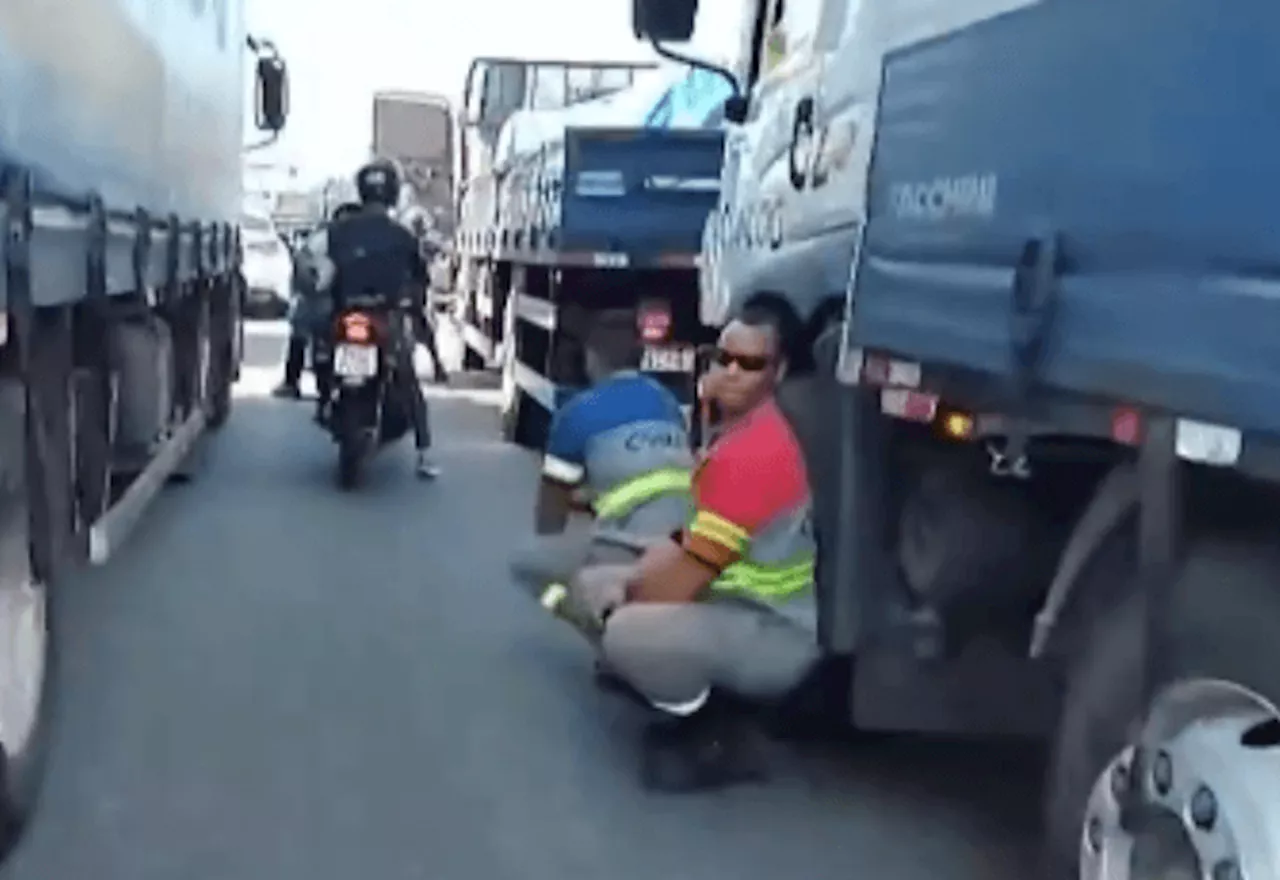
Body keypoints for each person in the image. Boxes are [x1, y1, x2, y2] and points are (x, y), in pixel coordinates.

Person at [551, 307, 820, 792]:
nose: (732, 372)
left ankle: (724, 728)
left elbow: (681, 578)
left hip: (775, 631)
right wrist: (623, 577)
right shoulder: (736, 435)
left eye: (751, 364)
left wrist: (621, 593)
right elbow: (689, 542)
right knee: (598, 584)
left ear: (778, 372)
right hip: (737, 601)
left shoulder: (755, 453)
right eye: (723, 357)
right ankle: (697, 695)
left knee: (625, 632)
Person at [508, 309, 694, 628]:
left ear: (590, 357)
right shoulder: (665, 401)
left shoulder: (577, 412)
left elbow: (552, 506)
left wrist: (551, 541)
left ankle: (598, 623)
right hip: (685, 544)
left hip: (631, 548)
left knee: (526, 564)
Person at [306, 160, 441, 479]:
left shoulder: (336, 231)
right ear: (393, 194)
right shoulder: (403, 236)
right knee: (407, 379)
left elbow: (311, 264)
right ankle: (424, 454)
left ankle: (324, 398)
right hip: (383, 316)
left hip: (344, 314)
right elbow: (421, 278)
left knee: (321, 348)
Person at [272, 202, 362, 401]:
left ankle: (292, 381)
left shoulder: (327, 237)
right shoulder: (329, 239)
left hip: (345, 302)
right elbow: (303, 264)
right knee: (304, 322)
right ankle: (293, 380)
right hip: (331, 299)